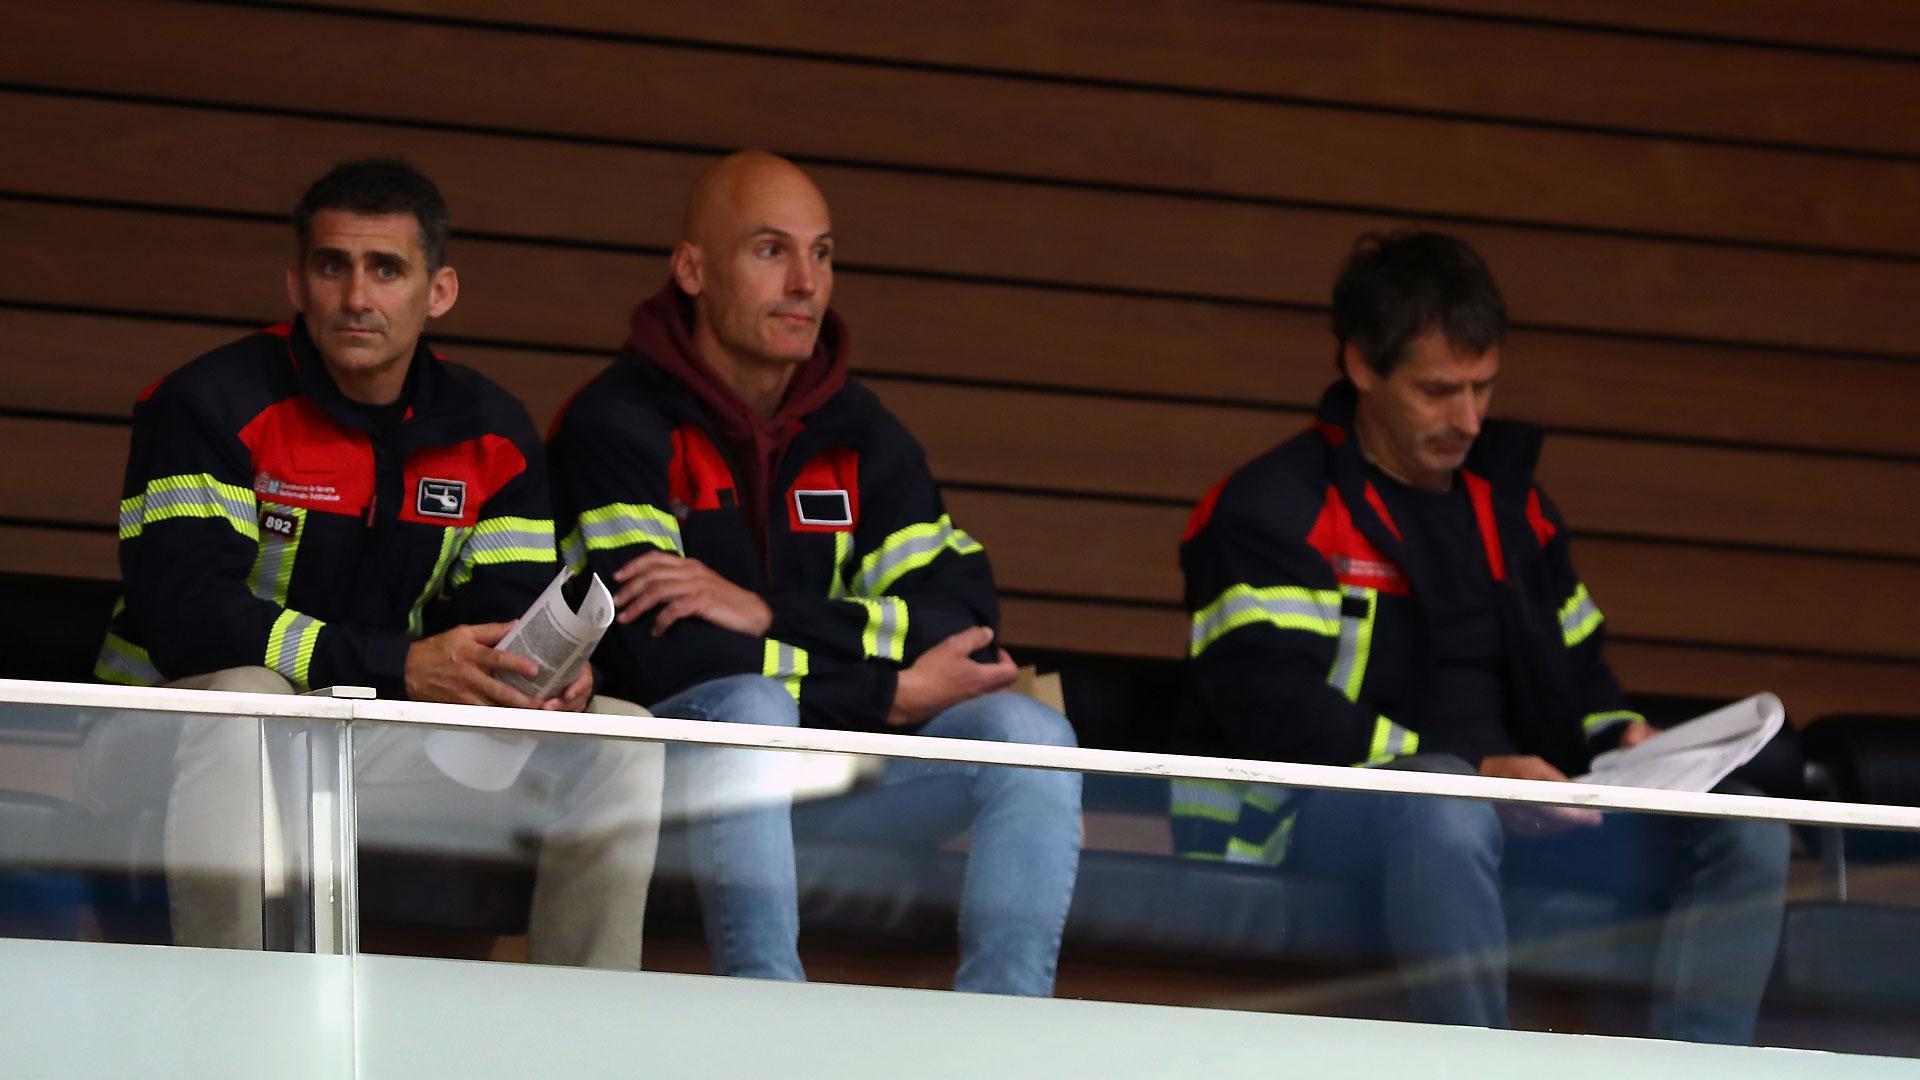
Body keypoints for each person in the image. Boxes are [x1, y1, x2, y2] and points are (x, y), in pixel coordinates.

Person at [73, 159, 691, 968]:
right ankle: (226, 1028)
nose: (357, 298)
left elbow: (506, 621)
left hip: (363, 739)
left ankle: (583, 1036)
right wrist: (402, 664)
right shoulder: (207, 403)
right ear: (297, 283)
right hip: (157, 732)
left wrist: (544, 678)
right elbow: (189, 620)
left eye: (386, 269)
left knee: (624, 736)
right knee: (247, 697)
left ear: (439, 292)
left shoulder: (491, 433)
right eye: (334, 266)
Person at [1173, 230, 1788, 1042]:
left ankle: (1700, 1067)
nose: (1468, 420)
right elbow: (1273, 710)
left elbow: (1584, 683)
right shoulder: (1272, 507)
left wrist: (1634, 742)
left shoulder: (1518, 510)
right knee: (1444, 804)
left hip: (1523, 810)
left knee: (1750, 825)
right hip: (1315, 819)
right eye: (1439, 391)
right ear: (1361, 366)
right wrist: (1481, 777)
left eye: (1484, 388)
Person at [547, 150, 1083, 995]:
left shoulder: (864, 432)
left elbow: (960, 622)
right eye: (771, 251)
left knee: (1034, 739)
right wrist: (885, 694)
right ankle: (773, 1022)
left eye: (822, 254)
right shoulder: (616, 421)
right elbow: (664, 654)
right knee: (751, 708)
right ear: (692, 269)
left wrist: (763, 614)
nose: (805, 281)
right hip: (682, 789)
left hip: (841, 772)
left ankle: (1006, 1032)